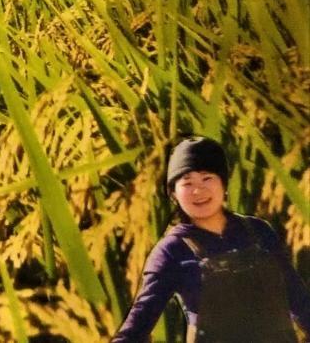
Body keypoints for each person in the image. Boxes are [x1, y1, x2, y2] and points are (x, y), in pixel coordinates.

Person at [113, 136, 310, 342]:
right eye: (187, 183)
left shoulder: (259, 231)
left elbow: (298, 299)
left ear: (224, 184)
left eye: (207, 178)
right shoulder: (171, 250)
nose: (198, 190)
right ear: (173, 193)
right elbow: (138, 325)